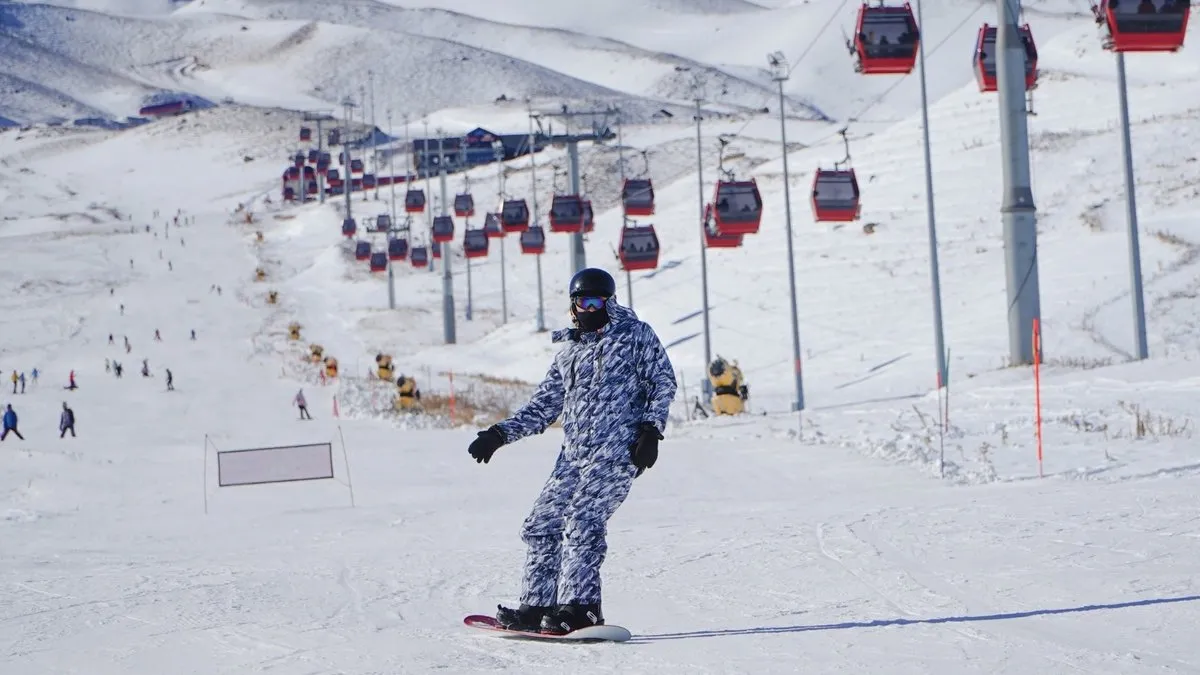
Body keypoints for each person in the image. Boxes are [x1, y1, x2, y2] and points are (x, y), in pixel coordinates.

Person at [467, 268, 677, 635]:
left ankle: (583, 608)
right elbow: (544, 408)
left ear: (610, 303)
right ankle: (538, 605)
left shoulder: (635, 336)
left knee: (582, 521)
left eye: (596, 301)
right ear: (573, 306)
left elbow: (662, 381)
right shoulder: (569, 354)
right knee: (541, 524)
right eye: (582, 301)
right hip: (573, 457)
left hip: (616, 452)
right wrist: (499, 434)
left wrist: (651, 430)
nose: (589, 308)